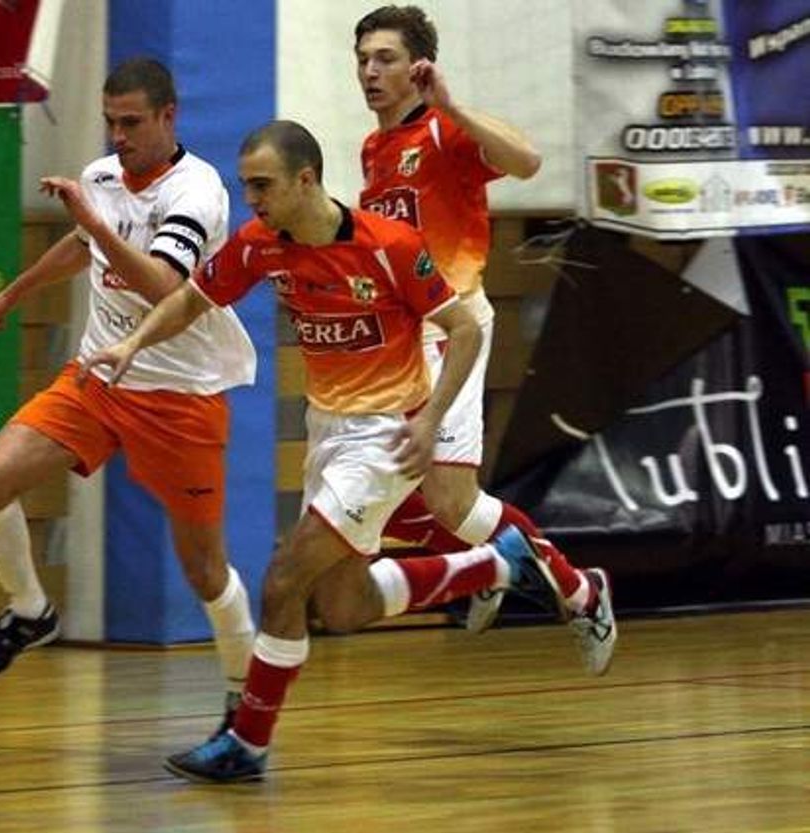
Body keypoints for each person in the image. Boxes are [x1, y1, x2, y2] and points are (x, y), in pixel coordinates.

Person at [80, 120, 567, 783]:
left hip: (385, 435)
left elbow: (463, 328)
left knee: (283, 576)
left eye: (263, 185)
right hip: (328, 431)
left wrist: (431, 425)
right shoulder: (262, 245)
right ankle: (496, 564)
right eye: (246, 184)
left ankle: (247, 742)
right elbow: (191, 298)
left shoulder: (390, 245)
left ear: (305, 180)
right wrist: (131, 346)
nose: (251, 199)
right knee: (343, 606)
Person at [0, 58, 258, 734]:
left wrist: (94, 225)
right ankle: (31, 610)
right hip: (99, 376)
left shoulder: (198, 191)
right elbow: (80, 245)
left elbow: (161, 284)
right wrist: (12, 294)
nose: (118, 135)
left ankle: (246, 703)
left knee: (206, 571)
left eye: (131, 123)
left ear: (168, 116)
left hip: (179, 395)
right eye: (110, 122)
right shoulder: (102, 177)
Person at [344, 5, 616, 674]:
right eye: (363, 58)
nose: (370, 71)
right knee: (382, 498)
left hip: (452, 333)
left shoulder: (444, 131)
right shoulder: (375, 148)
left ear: (419, 66)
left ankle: (580, 590)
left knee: (449, 501)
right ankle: (487, 567)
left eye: (384, 58)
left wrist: (455, 105)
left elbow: (526, 160)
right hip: (398, 344)